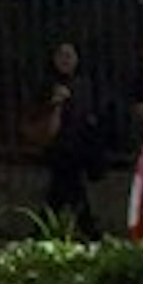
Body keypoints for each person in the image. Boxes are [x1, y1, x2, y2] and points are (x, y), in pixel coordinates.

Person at [25, 38, 128, 238]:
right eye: (61, 56)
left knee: (60, 194)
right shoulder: (47, 84)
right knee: (69, 191)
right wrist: (55, 104)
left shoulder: (84, 84)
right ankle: (90, 232)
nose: (66, 61)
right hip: (58, 148)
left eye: (70, 56)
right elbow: (36, 115)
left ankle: (41, 233)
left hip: (78, 147)